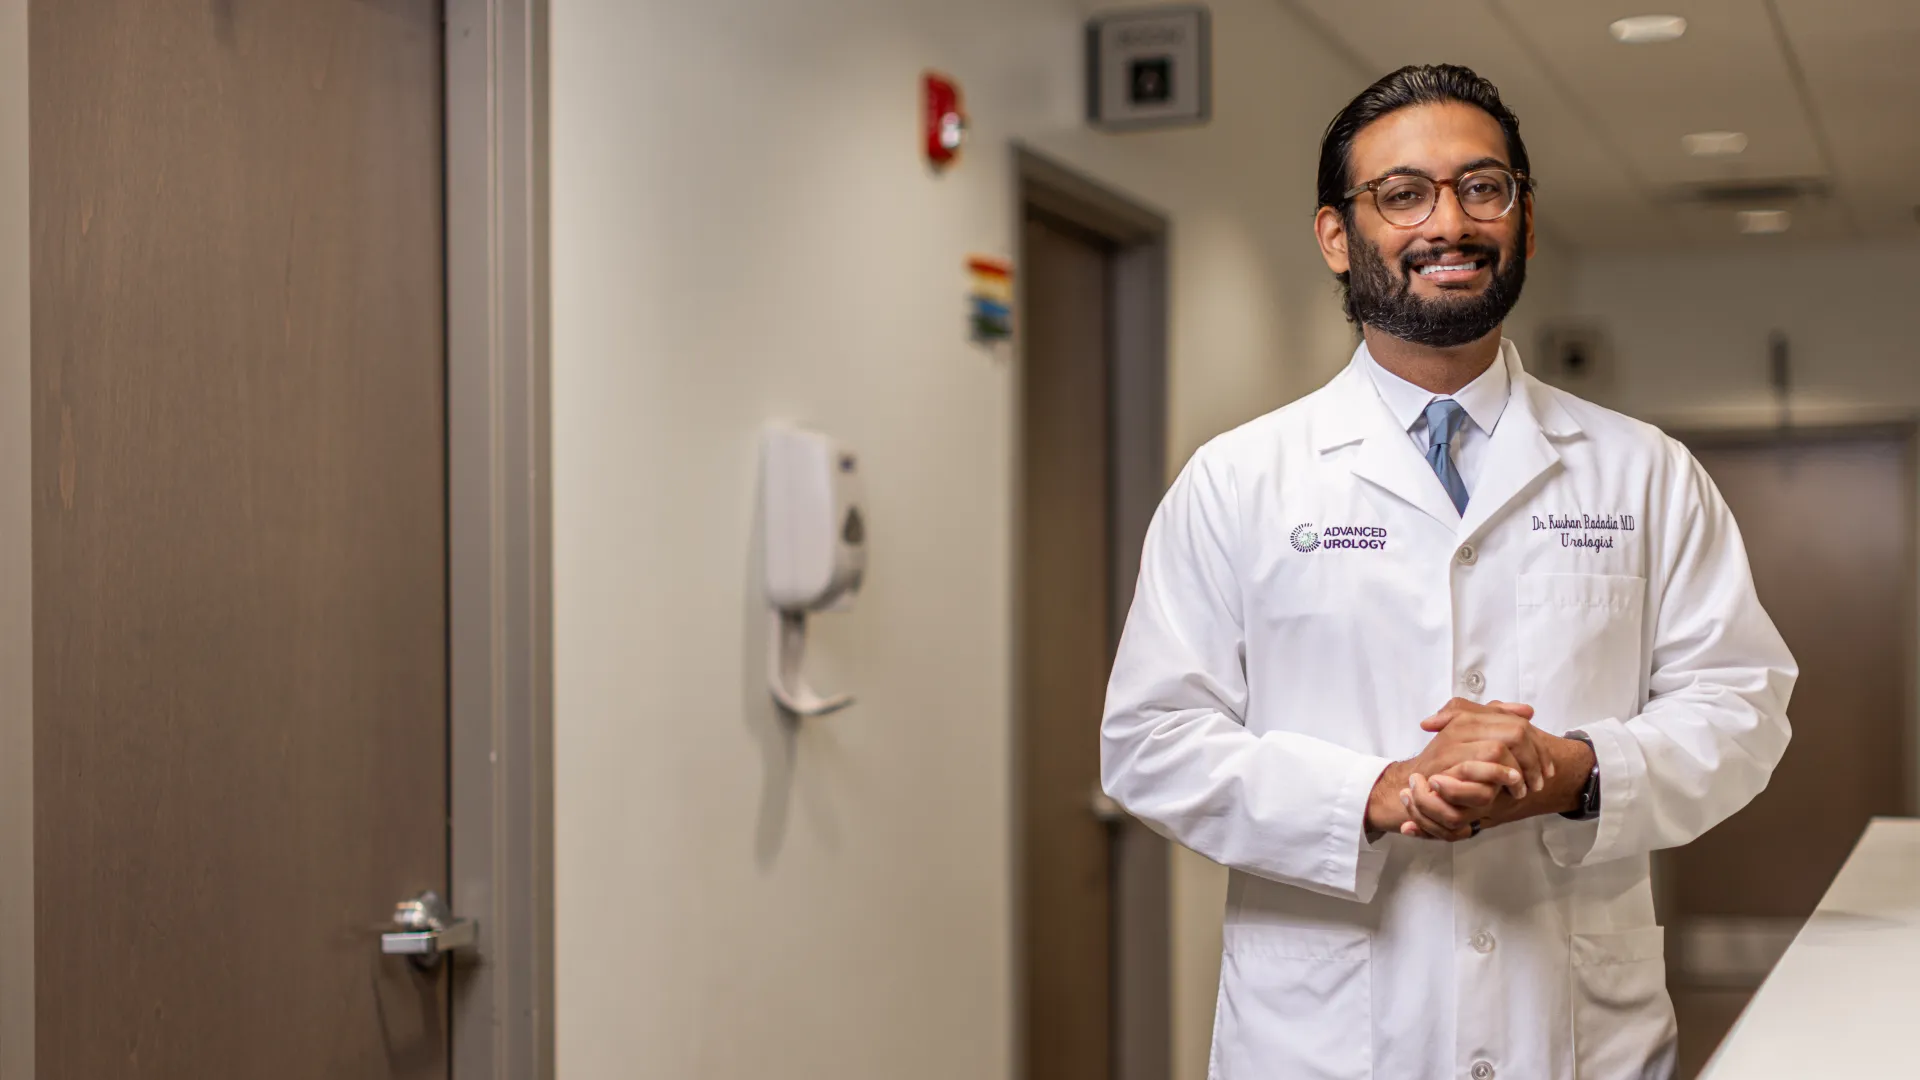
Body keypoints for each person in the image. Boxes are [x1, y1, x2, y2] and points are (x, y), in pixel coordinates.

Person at [1100, 64, 1794, 1080]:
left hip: (1573, 1030)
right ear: (1337, 235)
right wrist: (1374, 793)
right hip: (1323, 1035)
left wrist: (1574, 772)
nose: (1450, 223)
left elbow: (1742, 706)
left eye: (1484, 188)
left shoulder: (1644, 471)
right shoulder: (1239, 480)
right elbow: (1151, 741)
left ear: (1523, 218)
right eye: (1403, 194)